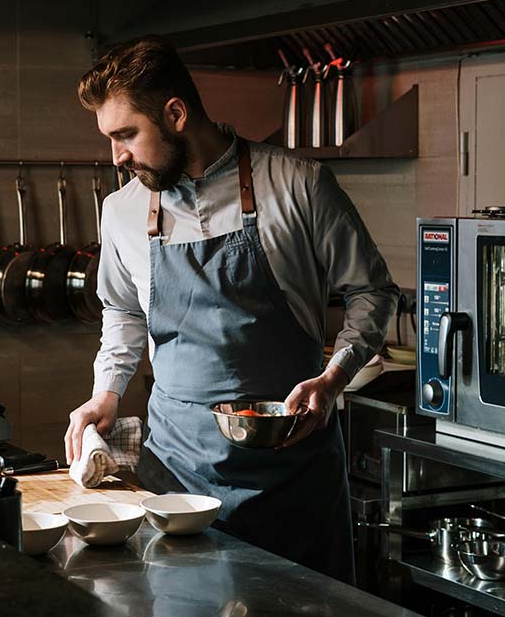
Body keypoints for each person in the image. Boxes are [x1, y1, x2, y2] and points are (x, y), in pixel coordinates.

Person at [63, 34, 399, 583]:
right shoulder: (121, 211)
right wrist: (107, 390)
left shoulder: (298, 184)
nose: (116, 157)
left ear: (175, 114)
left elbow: (372, 291)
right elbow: (123, 311)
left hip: (292, 472)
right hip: (176, 473)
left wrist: (334, 377)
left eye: (126, 135)